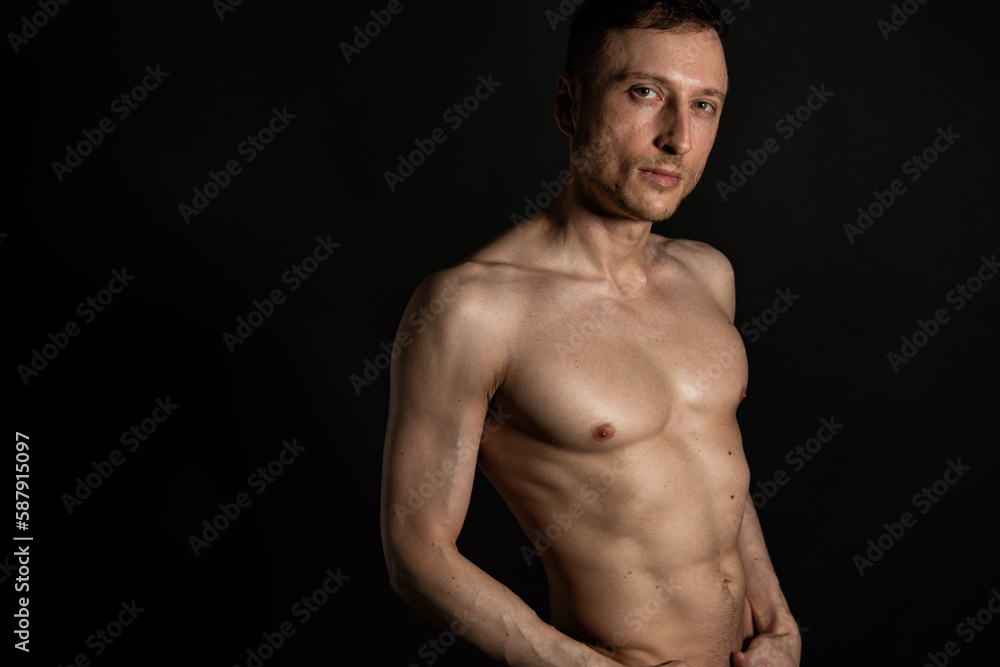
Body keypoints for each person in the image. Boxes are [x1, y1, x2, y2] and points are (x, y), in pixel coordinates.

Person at [380, 1, 801, 664]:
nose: (677, 139)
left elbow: (716, 472)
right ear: (567, 104)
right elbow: (416, 550)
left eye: (705, 105)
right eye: (645, 92)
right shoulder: (473, 308)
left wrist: (779, 623)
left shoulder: (706, 275)